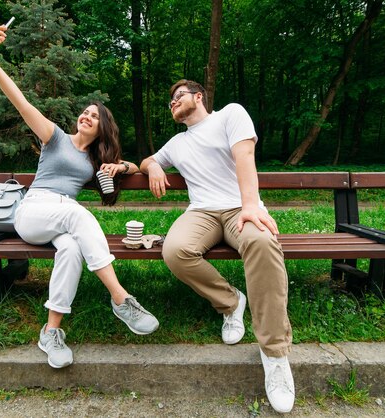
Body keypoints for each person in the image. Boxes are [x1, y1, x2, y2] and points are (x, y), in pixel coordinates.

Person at [0, 25, 159, 369]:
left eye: (94, 116)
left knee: (72, 248)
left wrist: (119, 168)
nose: (86, 115)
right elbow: (20, 101)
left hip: (60, 219)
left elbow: (134, 165)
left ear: (102, 128)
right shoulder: (55, 137)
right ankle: (120, 298)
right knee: (78, 214)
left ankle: (50, 332)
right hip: (33, 212)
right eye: (85, 111)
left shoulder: (95, 163)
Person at [139, 80, 294, 413]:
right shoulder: (178, 142)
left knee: (262, 242)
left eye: (177, 97)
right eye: (169, 102)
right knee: (175, 250)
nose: (172, 103)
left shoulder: (229, 115)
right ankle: (231, 301)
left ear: (198, 97)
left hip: (241, 206)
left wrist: (251, 205)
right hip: (203, 212)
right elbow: (148, 159)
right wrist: (152, 166)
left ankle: (275, 354)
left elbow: (245, 156)